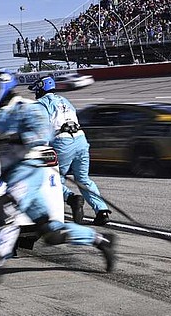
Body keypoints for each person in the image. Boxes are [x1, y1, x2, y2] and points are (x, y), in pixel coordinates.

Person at [0, 68, 116, 285]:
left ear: (1, 88)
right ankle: (101, 240)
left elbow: (42, 135)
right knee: (52, 233)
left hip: (30, 169)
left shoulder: (27, 108)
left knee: (5, 207)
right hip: (12, 175)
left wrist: (7, 136)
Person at [30, 76, 111, 225]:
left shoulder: (41, 104)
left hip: (62, 142)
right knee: (83, 179)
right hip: (81, 139)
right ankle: (102, 211)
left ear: (41, 89)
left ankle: (72, 199)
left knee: (53, 180)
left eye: (36, 90)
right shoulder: (65, 101)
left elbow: (41, 130)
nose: (35, 94)